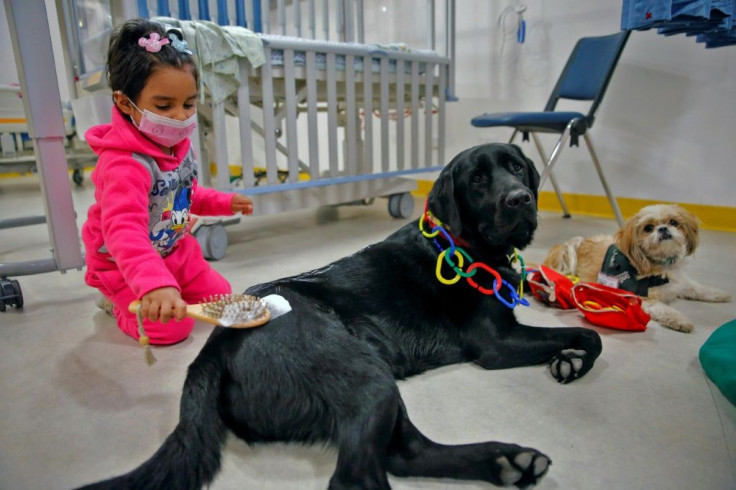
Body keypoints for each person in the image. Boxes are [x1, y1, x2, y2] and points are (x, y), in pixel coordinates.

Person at [82, 18, 253, 345]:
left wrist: (222, 202)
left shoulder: (177, 145)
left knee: (221, 299)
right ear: (123, 102)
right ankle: (116, 304)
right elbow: (124, 232)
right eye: (164, 106)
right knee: (171, 329)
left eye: (189, 104)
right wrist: (153, 286)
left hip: (173, 247)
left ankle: (166, 283)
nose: (180, 115)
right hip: (122, 262)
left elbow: (181, 194)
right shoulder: (124, 165)